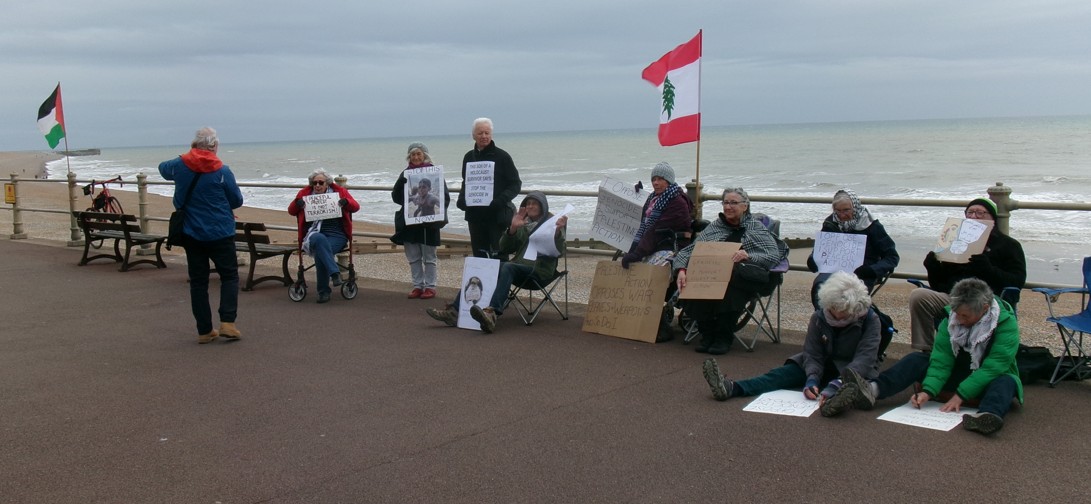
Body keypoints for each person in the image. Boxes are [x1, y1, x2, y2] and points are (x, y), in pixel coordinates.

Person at [824, 278, 1022, 436]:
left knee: (1005, 381)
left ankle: (988, 415)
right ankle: (871, 390)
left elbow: (994, 366)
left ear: (985, 309)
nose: (959, 320)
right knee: (917, 360)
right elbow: (942, 359)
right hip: (957, 372)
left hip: (985, 377)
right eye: (957, 314)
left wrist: (960, 395)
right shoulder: (951, 320)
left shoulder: (1006, 324)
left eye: (965, 317)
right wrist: (928, 390)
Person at [702, 272, 880, 408]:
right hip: (820, 364)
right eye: (832, 308)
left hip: (853, 371)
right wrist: (812, 379)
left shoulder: (870, 319)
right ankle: (732, 388)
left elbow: (865, 359)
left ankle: (835, 404)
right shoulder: (819, 317)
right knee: (778, 375)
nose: (835, 315)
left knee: (851, 390)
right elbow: (812, 353)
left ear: (854, 309)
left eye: (842, 313)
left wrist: (837, 383)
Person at [427, 191, 566, 333]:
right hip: (520, 269)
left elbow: (560, 251)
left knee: (508, 266)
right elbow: (505, 248)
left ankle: (492, 314)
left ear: (543, 206)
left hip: (540, 271)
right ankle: (454, 311)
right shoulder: (524, 224)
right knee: (483, 266)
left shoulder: (553, 223)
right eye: (528, 204)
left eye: (534, 203)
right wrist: (512, 229)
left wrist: (557, 233)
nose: (530, 206)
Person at [672, 187, 789, 355]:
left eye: (733, 203)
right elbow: (688, 251)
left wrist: (748, 255)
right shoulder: (715, 227)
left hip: (745, 278)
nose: (728, 207)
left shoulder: (755, 228)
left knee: (730, 286)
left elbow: (772, 255)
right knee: (694, 281)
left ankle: (723, 337)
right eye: (725, 202)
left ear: (745, 206)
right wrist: (682, 269)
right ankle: (707, 333)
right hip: (712, 276)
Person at [158, 127, 244, 344]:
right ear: (214, 146)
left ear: (194, 145)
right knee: (229, 276)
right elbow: (236, 201)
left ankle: (204, 330)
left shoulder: (180, 165)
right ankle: (227, 323)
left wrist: (188, 154)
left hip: (191, 232)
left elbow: (162, 169)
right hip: (221, 232)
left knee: (198, 282)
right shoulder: (223, 171)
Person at [910, 198, 1026, 350]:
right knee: (918, 295)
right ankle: (925, 349)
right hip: (954, 297)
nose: (974, 217)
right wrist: (933, 268)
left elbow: (1017, 281)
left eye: (980, 213)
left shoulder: (1008, 245)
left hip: (989, 301)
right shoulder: (955, 244)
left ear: (993, 218)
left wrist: (989, 269)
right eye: (970, 212)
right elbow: (939, 285)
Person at [806, 189, 899, 309]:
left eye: (846, 210)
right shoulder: (831, 223)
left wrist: (872, 270)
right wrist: (814, 260)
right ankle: (823, 322)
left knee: (849, 296)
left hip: (862, 272)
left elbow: (892, 257)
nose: (842, 215)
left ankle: (850, 325)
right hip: (833, 270)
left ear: (855, 207)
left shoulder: (871, 225)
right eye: (837, 211)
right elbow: (820, 250)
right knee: (820, 288)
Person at [288, 169, 361, 304]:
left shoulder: (339, 192)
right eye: (314, 183)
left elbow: (356, 207)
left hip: (337, 235)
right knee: (319, 240)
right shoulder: (305, 193)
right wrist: (297, 204)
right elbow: (291, 211)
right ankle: (334, 273)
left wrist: (346, 202)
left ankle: (323, 292)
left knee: (320, 252)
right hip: (314, 232)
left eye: (321, 182)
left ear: (327, 183)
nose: (317, 185)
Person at [456, 118, 523, 258]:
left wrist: (500, 200)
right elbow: (466, 182)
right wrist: (462, 199)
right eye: (480, 133)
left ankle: (500, 281)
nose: (484, 136)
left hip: (496, 216)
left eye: (487, 133)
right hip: (475, 217)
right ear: (473, 135)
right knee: (479, 257)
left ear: (491, 134)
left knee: (499, 255)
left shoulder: (503, 156)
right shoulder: (469, 157)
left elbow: (515, 184)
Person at [391, 142, 451, 299]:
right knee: (413, 257)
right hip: (410, 224)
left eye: (419, 154)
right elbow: (397, 198)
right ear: (409, 157)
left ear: (425, 155)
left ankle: (430, 287)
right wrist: (400, 184)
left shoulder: (435, 172)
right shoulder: (405, 174)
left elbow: (445, 198)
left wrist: (437, 214)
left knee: (429, 257)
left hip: (430, 225)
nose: (416, 157)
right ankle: (418, 285)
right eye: (413, 154)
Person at [620, 161, 694, 269]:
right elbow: (644, 220)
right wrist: (638, 194)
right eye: (653, 179)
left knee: (642, 272)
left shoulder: (678, 203)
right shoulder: (654, 199)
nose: (655, 183)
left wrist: (637, 253)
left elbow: (657, 230)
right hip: (656, 245)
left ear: (669, 181)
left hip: (673, 247)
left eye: (660, 179)